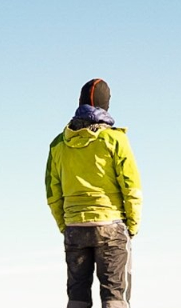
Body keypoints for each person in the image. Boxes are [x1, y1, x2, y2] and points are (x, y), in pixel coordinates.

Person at [45, 79, 142, 308]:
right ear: (106, 105)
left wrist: (65, 224)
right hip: (111, 225)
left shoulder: (59, 144)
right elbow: (131, 187)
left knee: (77, 296)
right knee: (114, 296)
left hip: (74, 227)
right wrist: (133, 225)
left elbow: (52, 192)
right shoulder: (115, 139)